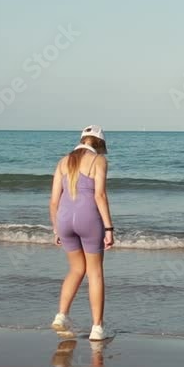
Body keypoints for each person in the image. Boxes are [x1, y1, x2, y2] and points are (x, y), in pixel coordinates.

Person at [49, 125, 114, 340]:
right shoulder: (99, 161)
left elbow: (54, 201)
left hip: (64, 220)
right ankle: (97, 328)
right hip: (89, 220)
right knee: (94, 272)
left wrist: (56, 229)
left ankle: (61, 315)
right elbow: (100, 196)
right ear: (100, 144)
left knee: (76, 269)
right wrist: (109, 228)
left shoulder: (62, 162)